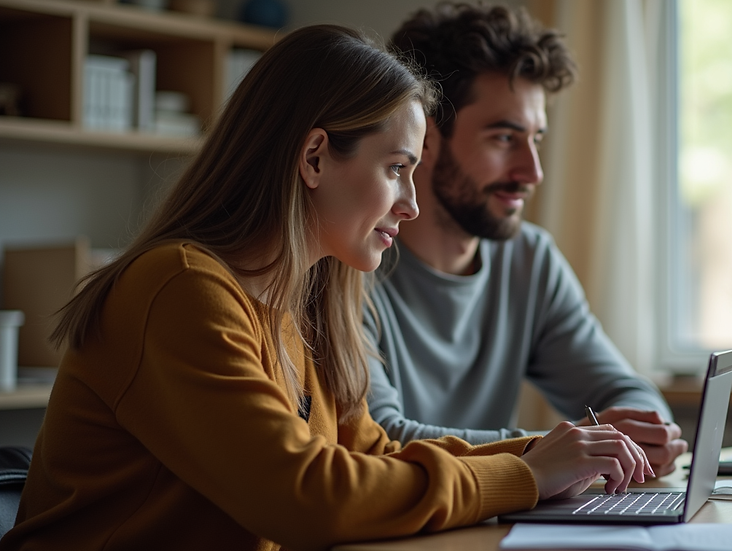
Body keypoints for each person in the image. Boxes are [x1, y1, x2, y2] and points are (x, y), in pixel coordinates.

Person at [0, 25, 653, 551]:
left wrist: (543, 453)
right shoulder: (180, 288)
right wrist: (526, 473)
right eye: (396, 169)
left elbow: (374, 453)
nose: (410, 204)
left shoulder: (296, 301)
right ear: (314, 157)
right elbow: (307, 496)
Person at [365, 2, 689, 475]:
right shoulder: (352, 263)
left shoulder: (529, 261)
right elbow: (381, 439)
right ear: (424, 139)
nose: (532, 171)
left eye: (536, 138)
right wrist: (556, 450)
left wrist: (643, 432)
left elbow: (627, 392)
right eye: (504, 138)